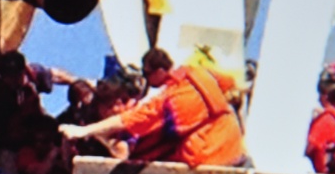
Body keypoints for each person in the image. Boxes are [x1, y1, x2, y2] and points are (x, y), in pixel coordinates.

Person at [60, 47, 246, 167]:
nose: (146, 79)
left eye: (148, 74)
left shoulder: (168, 102)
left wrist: (85, 132)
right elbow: (234, 88)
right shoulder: (199, 72)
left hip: (212, 163)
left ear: (159, 72)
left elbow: (127, 122)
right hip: (237, 152)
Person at [0, 51, 75, 174]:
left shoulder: (32, 76)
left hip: (38, 133)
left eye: (16, 75)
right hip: (9, 147)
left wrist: (78, 82)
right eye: (8, 77)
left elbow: (54, 75)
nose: (12, 81)